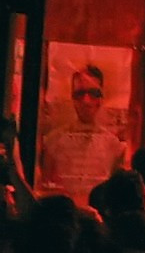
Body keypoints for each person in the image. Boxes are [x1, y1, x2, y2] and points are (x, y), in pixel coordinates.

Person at [37, 64, 128, 205]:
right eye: (80, 94)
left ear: (101, 98)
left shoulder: (114, 147)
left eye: (93, 93)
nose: (86, 101)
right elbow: (45, 187)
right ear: (72, 97)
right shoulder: (53, 142)